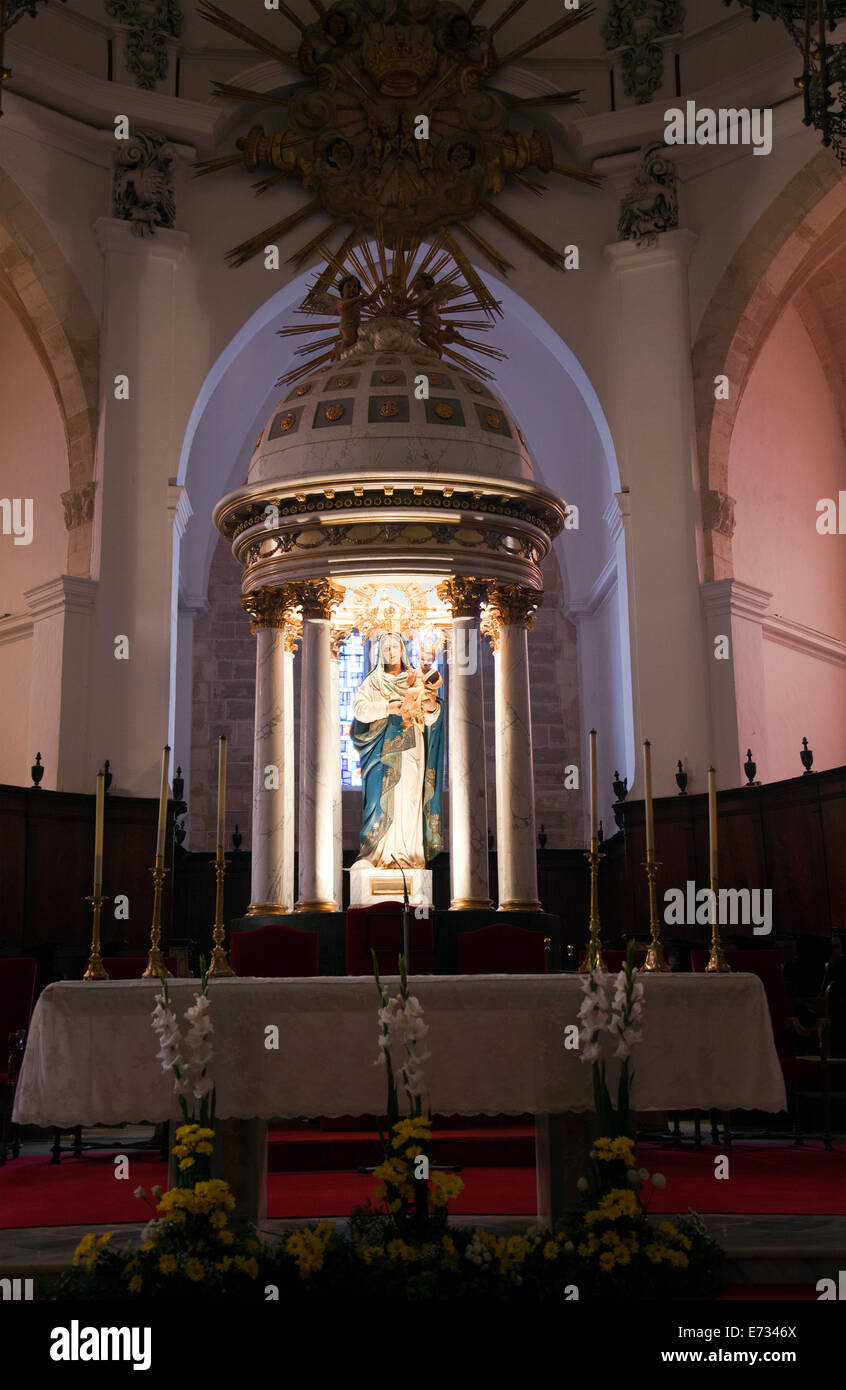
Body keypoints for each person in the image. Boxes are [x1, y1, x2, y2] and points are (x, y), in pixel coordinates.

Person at [350, 632, 444, 869]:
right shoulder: (373, 681)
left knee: (408, 798)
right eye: (386, 648)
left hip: (411, 748)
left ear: (403, 649)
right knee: (378, 799)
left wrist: (431, 704)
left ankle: (407, 855)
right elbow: (360, 710)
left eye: (395, 646)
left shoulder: (416, 679)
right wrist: (388, 707)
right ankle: (376, 855)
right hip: (381, 751)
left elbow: (432, 718)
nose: (391, 651)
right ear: (379, 653)